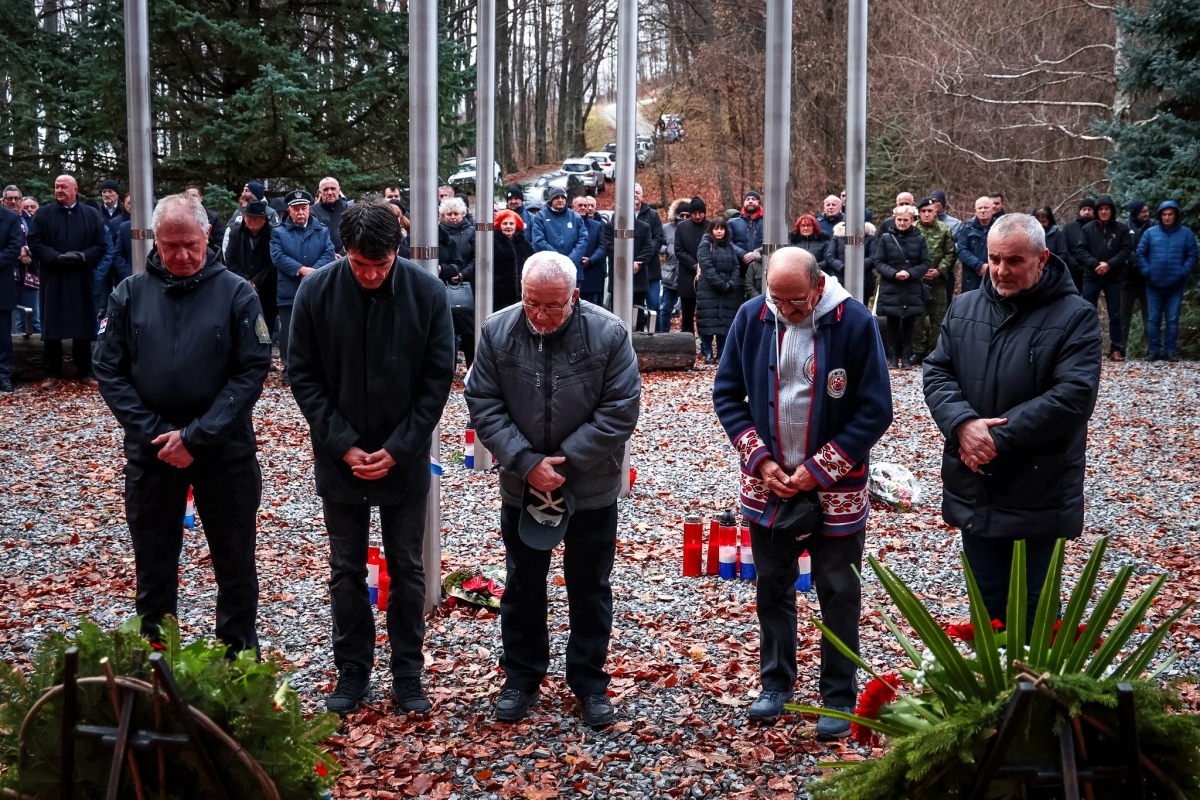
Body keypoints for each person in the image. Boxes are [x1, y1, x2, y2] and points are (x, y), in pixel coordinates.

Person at [713, 247, 892, 734]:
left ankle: (838, 695)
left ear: (817, 288)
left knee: (838, 589)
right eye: (777, 299)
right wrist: (760, 457)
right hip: (767, 482)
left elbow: (876, 410)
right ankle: (776, 683)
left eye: (796, 302)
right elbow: (727, 393)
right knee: (772, 586)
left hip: (836, 486)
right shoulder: (753, 317)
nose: (786, 311)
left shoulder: (855, 322)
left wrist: (820, 468)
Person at [288, 201, 455, 716]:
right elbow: (304, 374)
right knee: (345, 568)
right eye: (360, 265)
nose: (370, 274)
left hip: (402, 456)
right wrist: (343, 444)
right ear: (344, 253)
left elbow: (436, 379)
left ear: (396, 252)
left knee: (406, 567)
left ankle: (408, 671)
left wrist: (400, 448)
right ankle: (353, 669)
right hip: (340, 455)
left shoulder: (426, 292)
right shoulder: (316, 291)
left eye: (380, 265)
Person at [464, 251, 641, 729]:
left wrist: (563, 462)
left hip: (592, 485)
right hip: (523, 486)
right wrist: (526, 463)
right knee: (522, 583)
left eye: (553, 306)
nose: (541, 316)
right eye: (532, 304)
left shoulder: (608, 334)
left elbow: (621, 409)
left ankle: (588, 681)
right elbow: (482, 400)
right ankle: (521, 677)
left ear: (575, 297)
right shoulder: (498, 331)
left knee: (590, 585)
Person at [93, 193, 272, 657]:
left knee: (235, 566)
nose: (181, 256)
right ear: (156, 241)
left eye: (190, 244)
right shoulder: (129, 294)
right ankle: (156, 664)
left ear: (206, 236)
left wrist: (196, 436)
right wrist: (155, 433)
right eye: (170, 246)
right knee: (153, 567)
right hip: (152, 454)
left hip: (223, 452)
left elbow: (251, 370)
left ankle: (238, 664)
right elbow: (109, 369)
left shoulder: (236, 292)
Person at [923, 213, 1101, 627]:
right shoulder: (964, 307)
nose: (1001, 270)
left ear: (1042, 258)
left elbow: (1073, 396)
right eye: (994, 258)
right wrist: (964, 424)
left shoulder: (1075, 316)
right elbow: (937, 372)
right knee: (987, 616)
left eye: (1014, 261)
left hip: (1038, 490)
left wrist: (995, 438)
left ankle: (1037, 693)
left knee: (1035, 617)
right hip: (975, 487)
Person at [28, 175, 108, 390]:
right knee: (52, 323)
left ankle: (84, 371)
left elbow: (101, 244)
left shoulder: (91, 214)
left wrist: (82, 257)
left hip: (80, 275)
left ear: (75, 189)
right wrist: (54, 257)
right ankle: (51, 373)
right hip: (53, 275)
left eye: (63, 186)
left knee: (82, 323)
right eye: (56, 187)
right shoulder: (44, 214)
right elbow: (34, 241)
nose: (59, 190)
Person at [270, 189, 336, 383]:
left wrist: (314, 271)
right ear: (289, 211)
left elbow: (329, 251)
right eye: (296, 209)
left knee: (317, 329)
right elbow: (277, 256)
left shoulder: (321, 230)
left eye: (304, 208)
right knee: (289, 331)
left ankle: (316, 369)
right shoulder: (278, 232)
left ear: (309, 209)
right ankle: (290, 370)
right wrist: (300, 270)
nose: (300, 212)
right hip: (290, 289)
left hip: (317, 287)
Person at [1136, 201, 1198, 362]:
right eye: (1164, 214)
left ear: (1176, 215)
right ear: (1160, 215)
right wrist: (1147, 271)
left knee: (1172, 319)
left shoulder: (1186, 234)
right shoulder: (1150, 233)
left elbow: (1193, 255)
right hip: (1153, 284)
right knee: (1153, 318)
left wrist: (1182, 272)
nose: (1167, 217)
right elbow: (1140, 253)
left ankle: (1171, 351)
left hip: (1175, 285)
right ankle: (1154, 351)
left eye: (1170, 214)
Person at [1073, 195, 1132, 361]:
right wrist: (1095, 264)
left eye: (1107, 209)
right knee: (1087, 312)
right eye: (1101, 209)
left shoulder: (1121, 229)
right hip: (1092, 276)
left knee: (1114, 313)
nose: (1104, 212)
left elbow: (1125, 250)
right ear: (1097, 211)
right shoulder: (1088, 229)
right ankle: (1086, 349)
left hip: (1113, 276)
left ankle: (1116, 349)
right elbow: (1081, 250)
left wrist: (1109, 264)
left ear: (1112, 211)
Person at [874, 204, 930, 369]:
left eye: (905, 220)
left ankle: (906, 358)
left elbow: (925, 262)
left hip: (911, 286)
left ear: (912, 220)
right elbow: (879, 262)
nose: (902, 223)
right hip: (891, 286)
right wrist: (893, 273)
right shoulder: (885, 238)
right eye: (899, 219)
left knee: (909, 324)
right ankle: (892, 358)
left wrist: (911, 273)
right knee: (891, 323)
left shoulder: (919, 239)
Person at [224, 200, 279, 344]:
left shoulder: (275, 233)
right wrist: (246, 280)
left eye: (257, 217)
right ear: (243, 216)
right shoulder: (235, 233)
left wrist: (256, 282)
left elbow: (275, 261)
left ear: (264, 219)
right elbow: (229, 261)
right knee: (241, 326)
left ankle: (265, 357)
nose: (253, 220)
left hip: (267, 290)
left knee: (266, 327)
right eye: (250, 217)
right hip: (240, 287)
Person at [912, 197, 956, 362]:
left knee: (938, 317)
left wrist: (939, 270)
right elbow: (908, 253)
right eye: (923, 211)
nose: (926, 214)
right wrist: (918, 271)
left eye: (929, 211)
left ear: (935, 211)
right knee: (918, 317)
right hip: (917, 281)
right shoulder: (913, 229)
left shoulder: (944, 230)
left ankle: (934, 350)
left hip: (938, 282)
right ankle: (918, 350)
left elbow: (950, 253)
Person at [695, 216, 743, 364]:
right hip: (709, 289)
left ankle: (721, 353)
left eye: (722, 229)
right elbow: (706, 267)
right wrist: (720, 284)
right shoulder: (705, 245)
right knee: (708, 322)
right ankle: (708, 351)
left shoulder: (729, 246)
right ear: (711, 230)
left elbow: (736, 266)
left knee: (725, 323)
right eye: (716, 229)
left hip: (727, 290)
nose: (719, 232)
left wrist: (731, 283)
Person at [437, 196, 477, 365]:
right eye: (449, 214)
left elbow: (477, 258)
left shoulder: (471, 231)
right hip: (443, 284)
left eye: (456, 213)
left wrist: (463, 274)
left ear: (463, 214)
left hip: (466, 285)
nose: (453, 217)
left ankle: (472, 366)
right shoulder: (438, 234)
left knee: (469, 331)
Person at [5, 185, 39, 337]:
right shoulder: (3, 220)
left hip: (30, 275)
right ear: (3, 201)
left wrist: (25, 251)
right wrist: (17, 254)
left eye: (16, 198)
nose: (13, 201)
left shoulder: (33, 221)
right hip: (8, 273)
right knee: (15, 319)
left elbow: (39, 242)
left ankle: (40, 354)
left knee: (34, 318)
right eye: (9, 198)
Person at [1121, 200, 1153, 359]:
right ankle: (1120, 350)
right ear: (1135, 213)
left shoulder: (1153, 226)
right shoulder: (1125, 227)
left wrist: (1145, 263)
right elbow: (1123, 248)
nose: (1146, 214)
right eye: (1142, 211)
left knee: (1150, 317)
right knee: (1123, 317)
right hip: (1127, 279)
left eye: (1147, 211)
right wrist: (1135, 260)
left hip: (1148, 279)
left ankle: (1151, 350)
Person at [673, 197, 709, 335]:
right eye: (694, 213)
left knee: (704, 314)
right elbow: (679, 250)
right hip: (687, 276)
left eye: (700, 213)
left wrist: (704, 265)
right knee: (687, 314)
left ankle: (705, 344)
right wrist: (694, 265)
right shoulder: (682, 227)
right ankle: (687, 341)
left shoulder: (710, 227)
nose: (698, 216)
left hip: (706, 276)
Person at [529, 186, 587, 270]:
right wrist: (557, 258)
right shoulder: (541, 216)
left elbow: (583, 239)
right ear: (551, 200)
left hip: (572, 267)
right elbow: (538, 240)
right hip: (548, 267)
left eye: (563, 197)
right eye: (556, 197)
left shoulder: (575, 216)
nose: (560, 200)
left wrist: (570, 260)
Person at [824, 220, 878, 302]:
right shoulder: (837, 237)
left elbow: (874, 256)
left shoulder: (869, 238)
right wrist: (842, 267)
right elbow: (829, 256)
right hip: (840, 277)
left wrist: (858, 267)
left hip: (864, 279)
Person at [0, 203, 23, 391]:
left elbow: (15, 247)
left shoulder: (10, 218)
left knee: (2, 334)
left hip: (2, 284)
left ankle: (3, 374)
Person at [493, 209, 533, 312]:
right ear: (499, 225)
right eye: (505, 223)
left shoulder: (525, 245)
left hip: (522, 294)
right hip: (498, 295)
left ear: (516, 225)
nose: (508, 226)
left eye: (511, 223)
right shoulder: (493, 244)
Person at [658, 199, 688, 329]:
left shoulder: (693, 229)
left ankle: (686, 334)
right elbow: (658, 244)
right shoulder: (667, 228)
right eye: (682, 215)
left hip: (687, 272)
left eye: (688, 215)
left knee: (687, 309)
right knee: (666, 307)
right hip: (670, 272)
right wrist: (668, 249)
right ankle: (664, 334)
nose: (685, 218)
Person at [955, 196, 995, 295]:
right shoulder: (967, 228)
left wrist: (991, 267)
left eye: (986, 208)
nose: (982, 211)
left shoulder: (999, 227)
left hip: (994, 276)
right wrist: (979, 266)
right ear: (975, 211)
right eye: (979, 208)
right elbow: (962, 250)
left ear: (993, 209)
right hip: (971, 278)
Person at [573, 195, 607, 306]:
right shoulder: (566, 225)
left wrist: (591, 260)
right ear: (573, 207)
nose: (583, 207)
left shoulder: (597, 226)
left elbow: (602, 247)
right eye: (580, 205)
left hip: (592, 276)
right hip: (572, 275)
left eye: (585, 205)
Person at [1063, 198, 1096, 293]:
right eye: (1084, 209)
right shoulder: (1069, 227)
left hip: (1091, 272)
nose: (1086, 212)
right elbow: (1064, 247)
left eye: (1089, 210)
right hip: (1073, 271)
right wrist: (1072, 262)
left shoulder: (1097, 227)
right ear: (1079, 211)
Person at [311, 176, 349, 256]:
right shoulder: (312, 212)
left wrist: (343, 253)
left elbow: (356, 235)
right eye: (325, 189)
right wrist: (329, 255)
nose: (330, 192)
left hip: (347, 257)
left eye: (333, 188)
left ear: (339, 190)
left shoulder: (349, 209)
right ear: (320, 192)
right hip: (322, 259)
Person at [728, 190, 764, 273]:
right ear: (743, 203)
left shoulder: (767, 223)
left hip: (760, 269)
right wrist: (743, 254)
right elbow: (727, 242)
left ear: (759, 202)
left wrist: (755, 253)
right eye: (747, 199)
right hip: (737, 269)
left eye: (753, 199)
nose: (750, 201)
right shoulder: (732, 222)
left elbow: (772, 243)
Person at [185, 186, 226, 253]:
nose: (191, 199)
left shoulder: (213, 217)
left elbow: (219, 240)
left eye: (194, 196)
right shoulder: (179, 217)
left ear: (201, 198)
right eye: (188, 196)